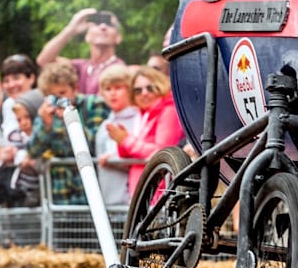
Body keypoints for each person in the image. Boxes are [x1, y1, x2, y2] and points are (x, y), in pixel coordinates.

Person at [27, 59, 109, 204]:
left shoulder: (94, 105)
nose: (59, 100)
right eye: (53, 95)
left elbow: (92, 144)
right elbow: (32, 151)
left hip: (91, 194)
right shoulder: (46, 112)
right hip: (58, 197)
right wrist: (46, 125)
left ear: (75, 87)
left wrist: (69, 120)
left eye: (62, 93)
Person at [107, 66, 183, 195]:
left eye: (149, 87)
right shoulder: (144, 115)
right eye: (138, 90)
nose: (144, 93)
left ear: (160, 85)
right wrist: (122, 142)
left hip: (159, 191)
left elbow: (161, 152)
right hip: (145, 190)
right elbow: (133, 153)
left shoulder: (168, 110)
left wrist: (126, 140)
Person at [37, 8, 126, 94]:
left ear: (118, 37)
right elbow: (44, 61)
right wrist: (71, 29)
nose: (103, 26)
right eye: (97, 23)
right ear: (87, 36)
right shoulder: (80, 67)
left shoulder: (121, 69)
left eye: (110, 24)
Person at [93, 65, 140, 208]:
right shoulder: (104, 125)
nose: (112, 93)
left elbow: (141, 157)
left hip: (131, 200)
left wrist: (113, 161)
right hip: (108, 202)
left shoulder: (138, 119)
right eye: (108, 89)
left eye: (118, 88)